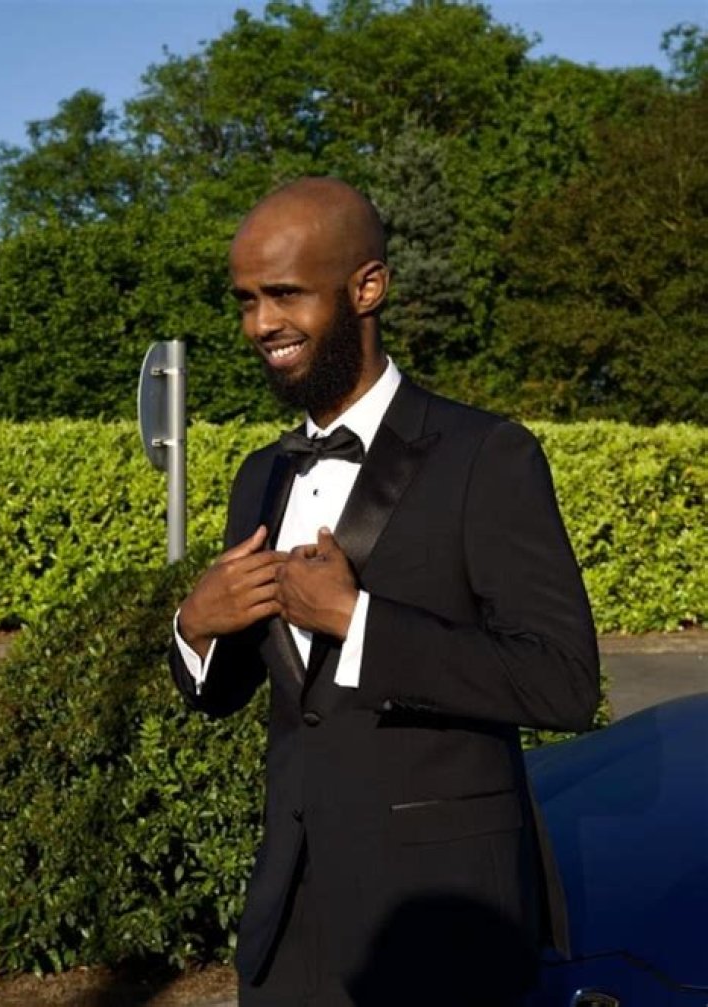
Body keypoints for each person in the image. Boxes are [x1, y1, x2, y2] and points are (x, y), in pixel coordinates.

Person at [169, 177, 599, 1007]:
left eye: (285, 293)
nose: (260, 324)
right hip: (288, 932)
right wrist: (196, 626)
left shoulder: (487, 456)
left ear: (367, 287)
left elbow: (564, 680)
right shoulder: (260, 475)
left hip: (445, 929)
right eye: (247, 300)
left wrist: (358, 621)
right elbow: (237, 693)